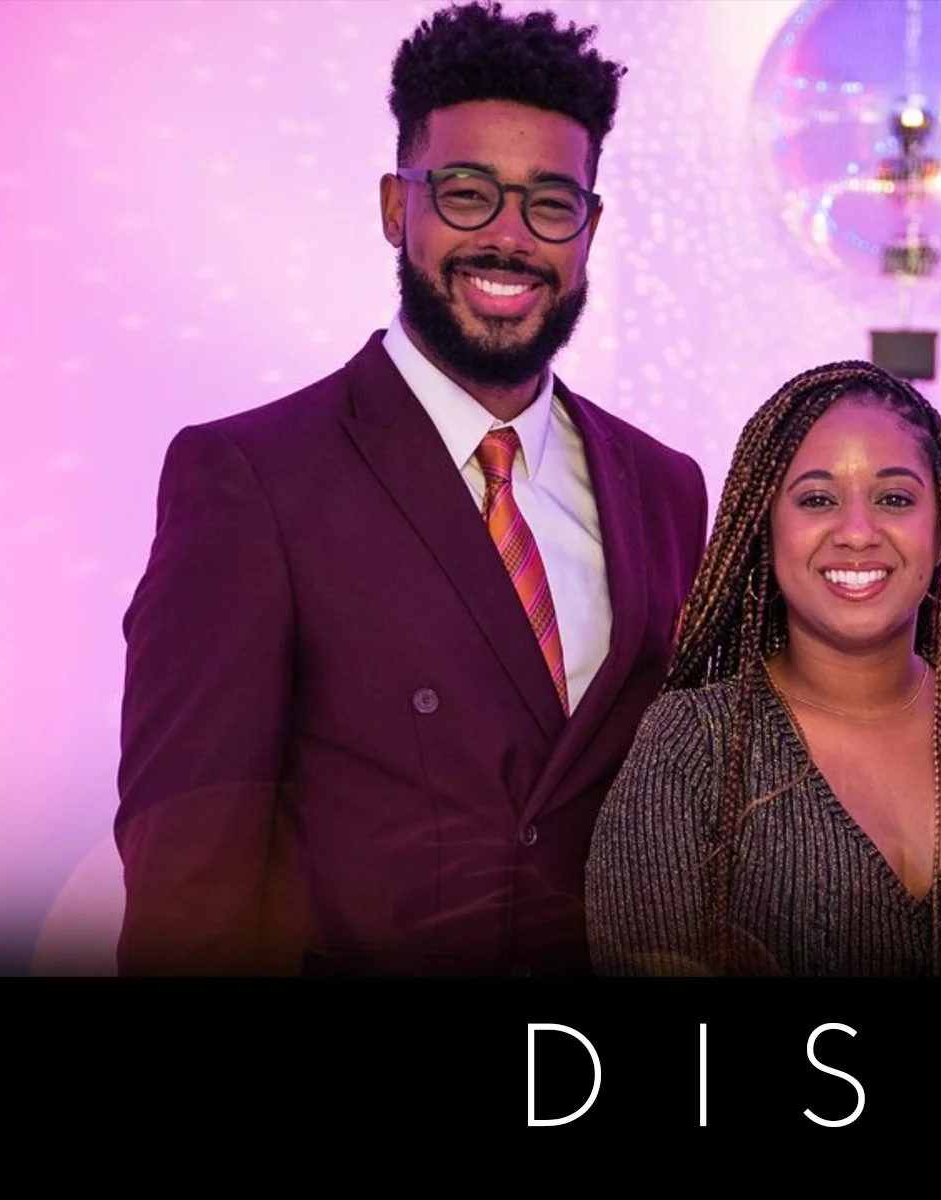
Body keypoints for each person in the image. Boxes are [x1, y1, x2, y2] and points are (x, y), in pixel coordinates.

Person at [113, 2, 707, 977]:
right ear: (398, 208)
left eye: (550, 202)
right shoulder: (252, 480)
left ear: (590, 228)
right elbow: (191, 878)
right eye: (468, 193)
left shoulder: (665, 488)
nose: (510, 238)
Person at [583, 362, 941, 977]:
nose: (858, 533)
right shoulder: (694, 742)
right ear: (765, 530)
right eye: (817, 500)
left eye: (894, 499)